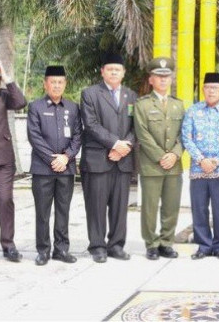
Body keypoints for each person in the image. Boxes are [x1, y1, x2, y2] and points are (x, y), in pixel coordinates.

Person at [80, 52, 137, 263]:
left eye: (118, 69)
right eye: (110, 69)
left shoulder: (131, 96)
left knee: (119, 206)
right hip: (98, 160)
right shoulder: (90, 94)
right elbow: (91, 124)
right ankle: (97, 246)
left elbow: (136, 126)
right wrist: (115, 143)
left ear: (123, 73)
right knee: (96, 205)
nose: (114, 72)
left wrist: (125, 145)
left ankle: (116, 245)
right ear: (102, 71)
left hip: (122, 160)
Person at [27, 65, 82, 265]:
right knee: (42, 212)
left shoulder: (73, 107)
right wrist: (53, 159)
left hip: (66, 169)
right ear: (45, 84)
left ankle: (61, 249)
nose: (57, 85)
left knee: (63, 210)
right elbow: (34, 137)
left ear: (65, 84)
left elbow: (78, 136)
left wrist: (66, 157)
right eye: (53, 82)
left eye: (60, 82)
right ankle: (43, 250)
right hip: (42, 170)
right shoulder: (36, 107)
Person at [181, 72, 219, 260]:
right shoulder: (192, 111)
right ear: (203, 90)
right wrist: (201, 160)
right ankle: (204, 246)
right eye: (208, 88)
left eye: (216, 88)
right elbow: (186, 138)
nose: (212, 91)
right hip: (198, 170)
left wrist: (216, 161)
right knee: (199, 208)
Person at [134, 57, 185, 260]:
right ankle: (151, 244)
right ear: (151, 79)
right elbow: (142, 133)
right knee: (150, 207)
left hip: (174, 165)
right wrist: (160, 156)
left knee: (171, 207)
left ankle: (166, 242)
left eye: (166, 76)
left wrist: (174, 154)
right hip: (151, 165)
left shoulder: (178, 105)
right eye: (158, 76)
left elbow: (184, 133)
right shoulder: (142, 104)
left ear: (171, 79)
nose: (163, 80)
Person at [0, 60, 26, 262]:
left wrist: (8, 79)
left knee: (4, 200)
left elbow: (20, 102)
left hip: (3, 160)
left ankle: (8, 245)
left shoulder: (4, 96)